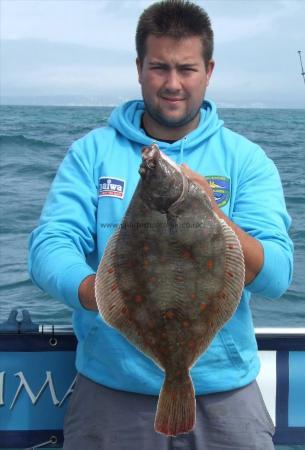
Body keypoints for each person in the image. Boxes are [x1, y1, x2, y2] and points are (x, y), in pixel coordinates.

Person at [28, 1, 293, 449]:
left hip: (225, 391)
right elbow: (50, 244)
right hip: (112, 388)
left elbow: (276, 276)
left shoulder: (247, 160)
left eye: (187, 69)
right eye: (159, 68)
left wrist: (209, 210)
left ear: (209, 71)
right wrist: (101, 296)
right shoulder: (90, 153)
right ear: (139, 68)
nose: (173, 84)